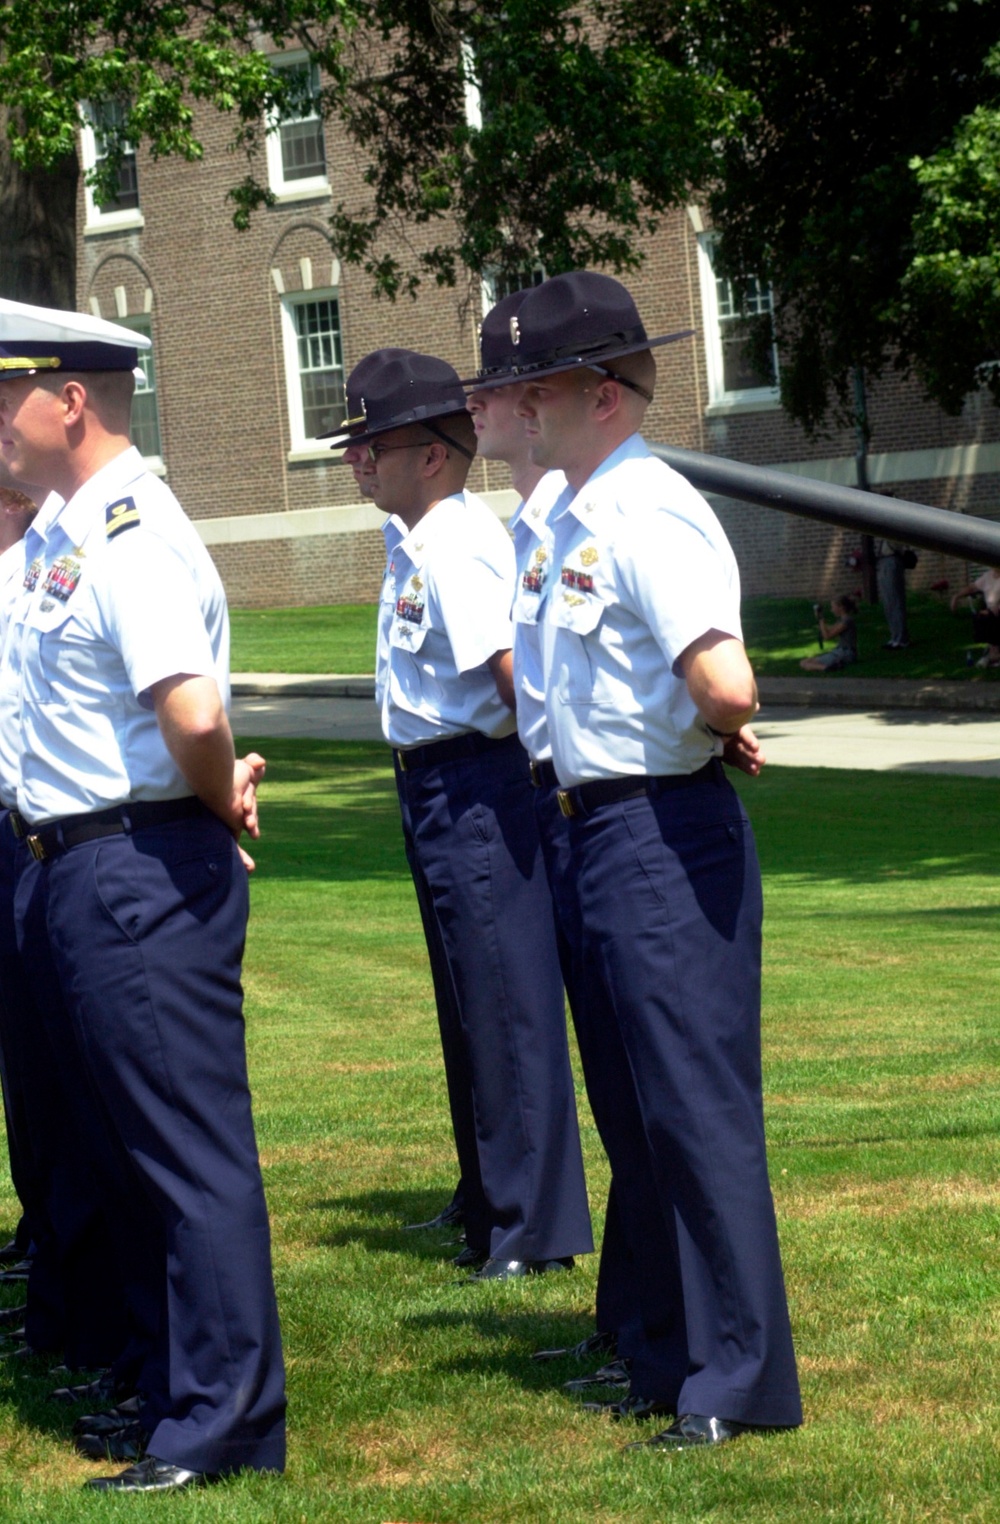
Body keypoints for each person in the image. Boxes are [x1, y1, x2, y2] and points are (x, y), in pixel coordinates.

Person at [487, 270, 801, 1450]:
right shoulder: (575, 512)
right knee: (634, 1108)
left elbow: (722, 676)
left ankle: (738, 1378)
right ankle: (667, 1349)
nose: (514, 405)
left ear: (603, 392)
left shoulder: (647, 508)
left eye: (536, 384)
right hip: (591, 826)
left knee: (692, 1110)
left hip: (659, 833)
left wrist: (717, 720)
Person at [0, 297, 285, 1493]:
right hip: (80, 859)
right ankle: (170, 1386)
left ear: (69, 399)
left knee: (182, 1154)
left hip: (136, 866)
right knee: (126, 1153)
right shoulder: (73, 529)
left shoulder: (131, 531)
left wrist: (218, 800)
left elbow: (194, 713)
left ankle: (223, 1419)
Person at [329, 347, 593, 1281]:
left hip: (479, 784)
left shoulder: (458, 546)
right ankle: (487, 1196)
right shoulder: (419, 540)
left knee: (506, 1001)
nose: (357, 461)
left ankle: (534, 1228)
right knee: (465, 1001)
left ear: (434, 453)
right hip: (433, 785)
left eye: (373, 445)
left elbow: (513, 680)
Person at [950, 567, 1000, 667]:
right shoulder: (987, 576)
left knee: (989, 617)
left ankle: (994, 655)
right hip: (991, 611)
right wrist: (957, 596)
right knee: (981, 617)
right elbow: (972, 587)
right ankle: (993, 653)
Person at [800, 595, 858, 671]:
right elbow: (828, 630)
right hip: (841, 652)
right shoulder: (843, 620)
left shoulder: (846, 621)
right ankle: (831, 666)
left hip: (845, 653)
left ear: (841, 607)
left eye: (833, 607)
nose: (832, 610)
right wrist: (820, 618)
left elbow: (827, 636)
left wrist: (821, 620)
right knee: (805, 661)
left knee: (805, 664)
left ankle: (828, 668)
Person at [874, 537, 910, 649]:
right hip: (885, 560)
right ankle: (895, 636)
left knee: (895, 600)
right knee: (889, 602)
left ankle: (901, 638)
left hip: (892, 558)